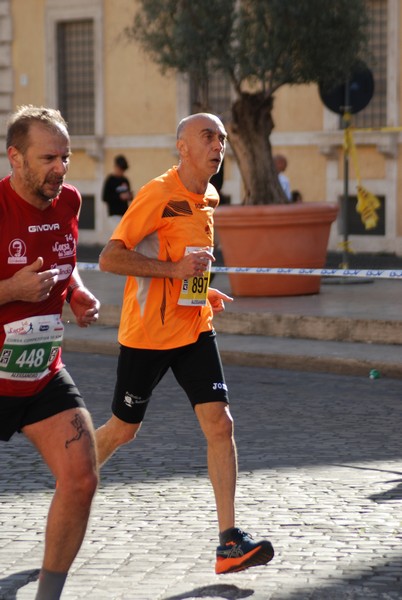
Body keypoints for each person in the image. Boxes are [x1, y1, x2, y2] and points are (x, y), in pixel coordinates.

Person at [96, 112, 274, 574]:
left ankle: (229, 543)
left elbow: (187, 260)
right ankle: (74, 476)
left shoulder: (210, 196)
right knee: (123, 428)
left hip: (195, 326)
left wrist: (200, 288)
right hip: (148, 336)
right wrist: (174, 274)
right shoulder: (157, 193)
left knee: (221, 424)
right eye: (208, 136)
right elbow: (111, 258)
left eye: (222, 138)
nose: (219, 145)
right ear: (183, 147)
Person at [0, 105, 100, 599]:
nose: (60, 168)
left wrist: (75, 292)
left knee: (82, 476)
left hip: (40, 372)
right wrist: (11, 289)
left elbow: (66, 258)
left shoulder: (70, 203)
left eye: (66, 157)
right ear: (14, 157)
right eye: (48, 158)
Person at [102, 154, 134, 230]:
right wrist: (119, 197)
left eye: (123, 170)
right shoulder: (110, 180)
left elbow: (129, 195)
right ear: (116, 167)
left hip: (124, 214)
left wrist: (129, 196)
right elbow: (105, 197)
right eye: (120, 169)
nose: (122, 172)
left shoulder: (125, 180)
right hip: (114, 215)